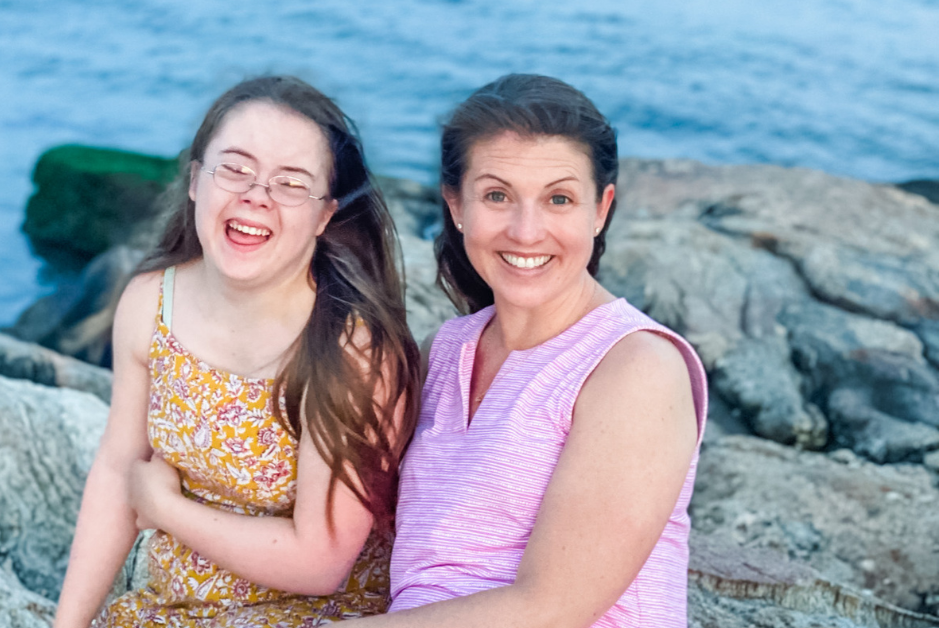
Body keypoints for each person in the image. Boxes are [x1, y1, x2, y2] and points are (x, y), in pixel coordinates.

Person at [53, 76, 420, 628]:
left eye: (290, 183)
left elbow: (319, 562)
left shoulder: (350, 346)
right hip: (172, 611)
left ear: (325, 215)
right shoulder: (152, 301)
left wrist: (166, 510)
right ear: (197, 178)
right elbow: (116, 469)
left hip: (313, 617)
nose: (256, 195)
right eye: (236, 168)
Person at [344, 74, 708, 628]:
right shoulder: (444, 352)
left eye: (559, 199)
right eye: (497, 195)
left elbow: (550, 608)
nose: (526, 230)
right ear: (455, 204)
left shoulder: (637, 369)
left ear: (600, 209)